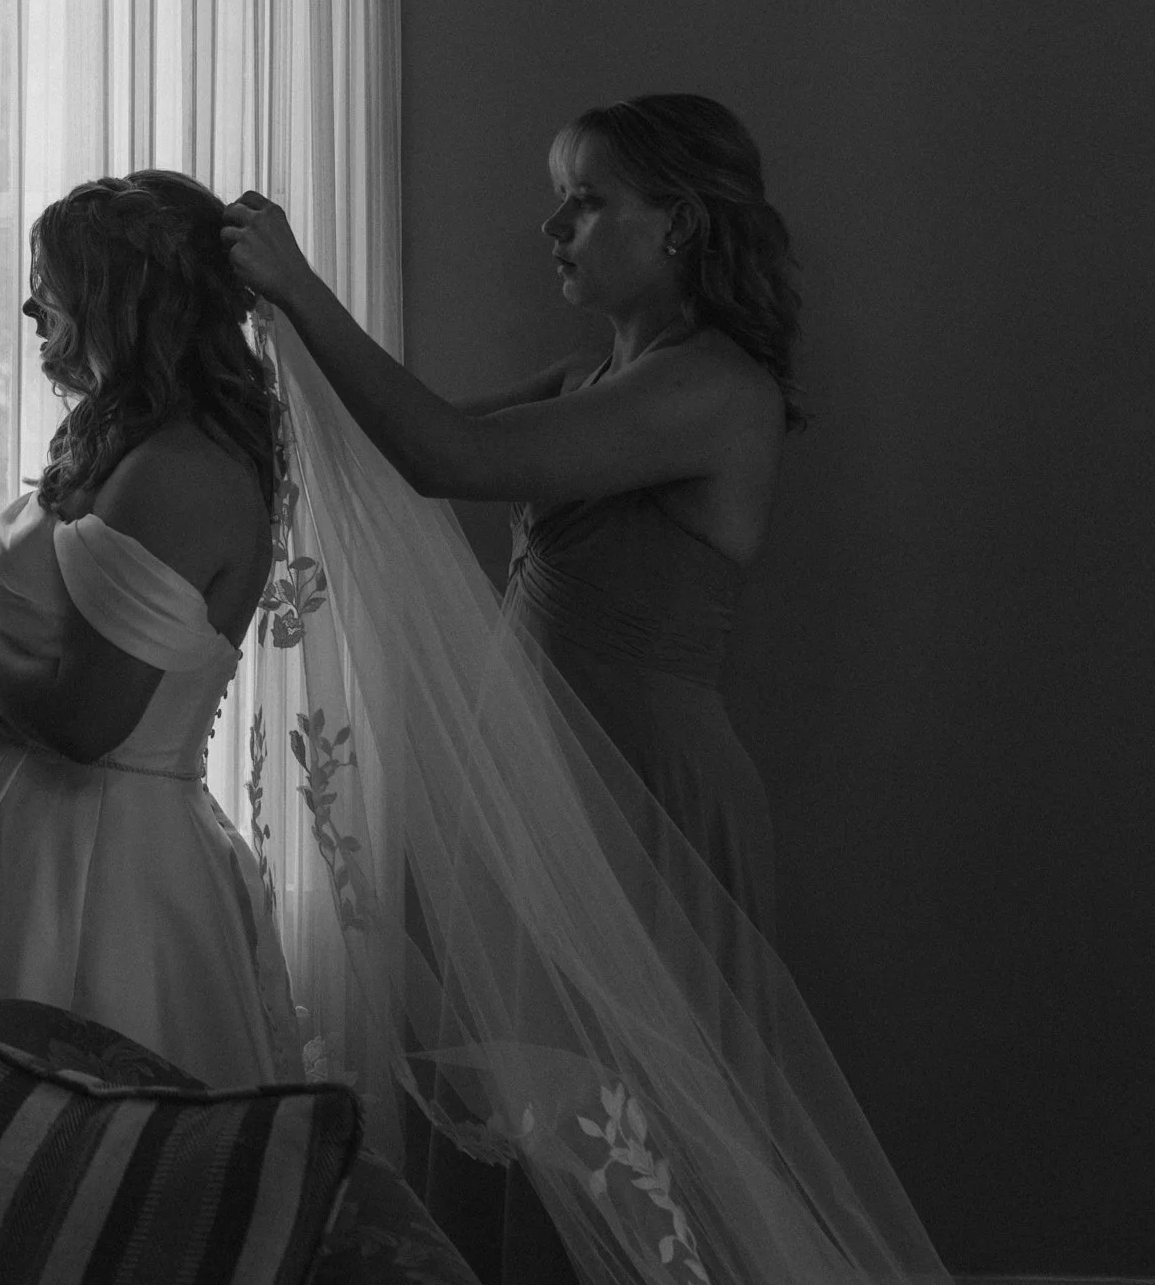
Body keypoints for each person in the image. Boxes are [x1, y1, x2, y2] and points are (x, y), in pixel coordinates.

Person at [222, 96, 945, 1283]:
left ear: (683, 226)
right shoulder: (604, 372)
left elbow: (453, 462)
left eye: (587, 197)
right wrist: (275, 341)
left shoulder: (713, 387)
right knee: (545, 1128)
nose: (553, 225)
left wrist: (302, 288)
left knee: (642, 1136)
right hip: (555, 804)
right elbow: (429, 433)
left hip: (646, 798)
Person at [0, 170, 302, 1090]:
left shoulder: (183, 468)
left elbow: (88, 719)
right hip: (27, 843)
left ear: (129, 297)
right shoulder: (121, 437)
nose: (36, 308)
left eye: (58, 283)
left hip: (101, 873)